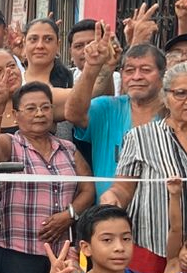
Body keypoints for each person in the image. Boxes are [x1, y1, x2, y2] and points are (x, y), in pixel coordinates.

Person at [97, 62, 187, 273]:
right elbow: (123, 189)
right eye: (181, 93)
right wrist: (112, 198)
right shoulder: (139, 138)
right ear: (166, 96)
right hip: (151, 251)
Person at [0, 81, 93, 273]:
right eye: (31, 109)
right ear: (15, 115)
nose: (39, 114)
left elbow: (87, 188)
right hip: (19, 252)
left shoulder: (67, 148)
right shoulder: (11, 144)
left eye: (45, 107)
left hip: (62, 252)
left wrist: (69, 215)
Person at [64, 39, 163, 188]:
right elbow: (73, 114)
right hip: (110, 209)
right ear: (122, 74)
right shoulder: (107, 107)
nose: (136, 77)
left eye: (146, 70)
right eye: (130, 70)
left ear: (162, 74)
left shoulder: (172, 114)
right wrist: (91, 67)